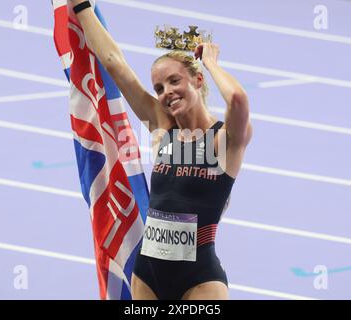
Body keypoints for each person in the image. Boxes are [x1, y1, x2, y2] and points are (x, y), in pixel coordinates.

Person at [71, 0, 252, 300]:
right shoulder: (161, 129)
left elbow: (238, 99)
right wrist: (82, 6)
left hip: (200, 280)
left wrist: (210, 62)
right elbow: (114, 62)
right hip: (148, 273)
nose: (166, 92)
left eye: (174, 81)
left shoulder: (225, 140)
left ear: (197, 80)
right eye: (159, 87)